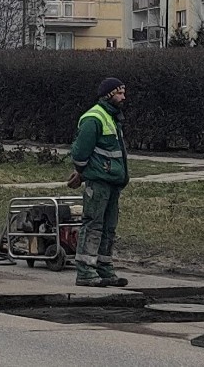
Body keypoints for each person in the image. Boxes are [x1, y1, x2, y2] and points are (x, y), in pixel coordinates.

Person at [70, 77, 130, 287]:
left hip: (112, 181)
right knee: (93, 224)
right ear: (108, 95)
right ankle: (85, 271)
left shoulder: (112, 117)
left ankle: (105, 269)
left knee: (108, 227)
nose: (123, 97)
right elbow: (79, 153)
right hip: (99, 182)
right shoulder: (94, 118)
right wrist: (82, 172)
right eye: (119, 93)